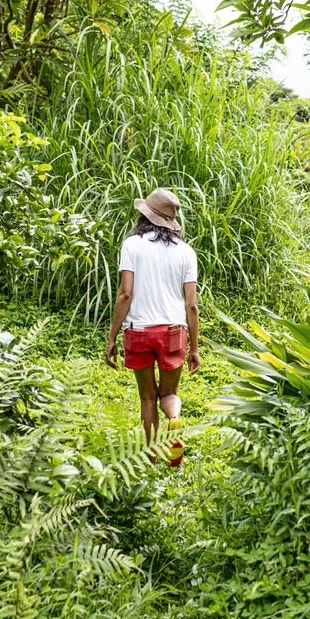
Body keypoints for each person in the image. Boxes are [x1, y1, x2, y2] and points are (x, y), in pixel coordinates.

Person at [104, 188, 200, 466]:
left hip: (139, 332)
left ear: (145, 216)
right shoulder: (186, 252)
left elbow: (125, 294)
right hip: (173, 331)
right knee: (169, 392)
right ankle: (175, 419)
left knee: (147, 397)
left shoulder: (131, 245)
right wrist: (194, 347)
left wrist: (112, 338)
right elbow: (191, 305)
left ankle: (153, 456)